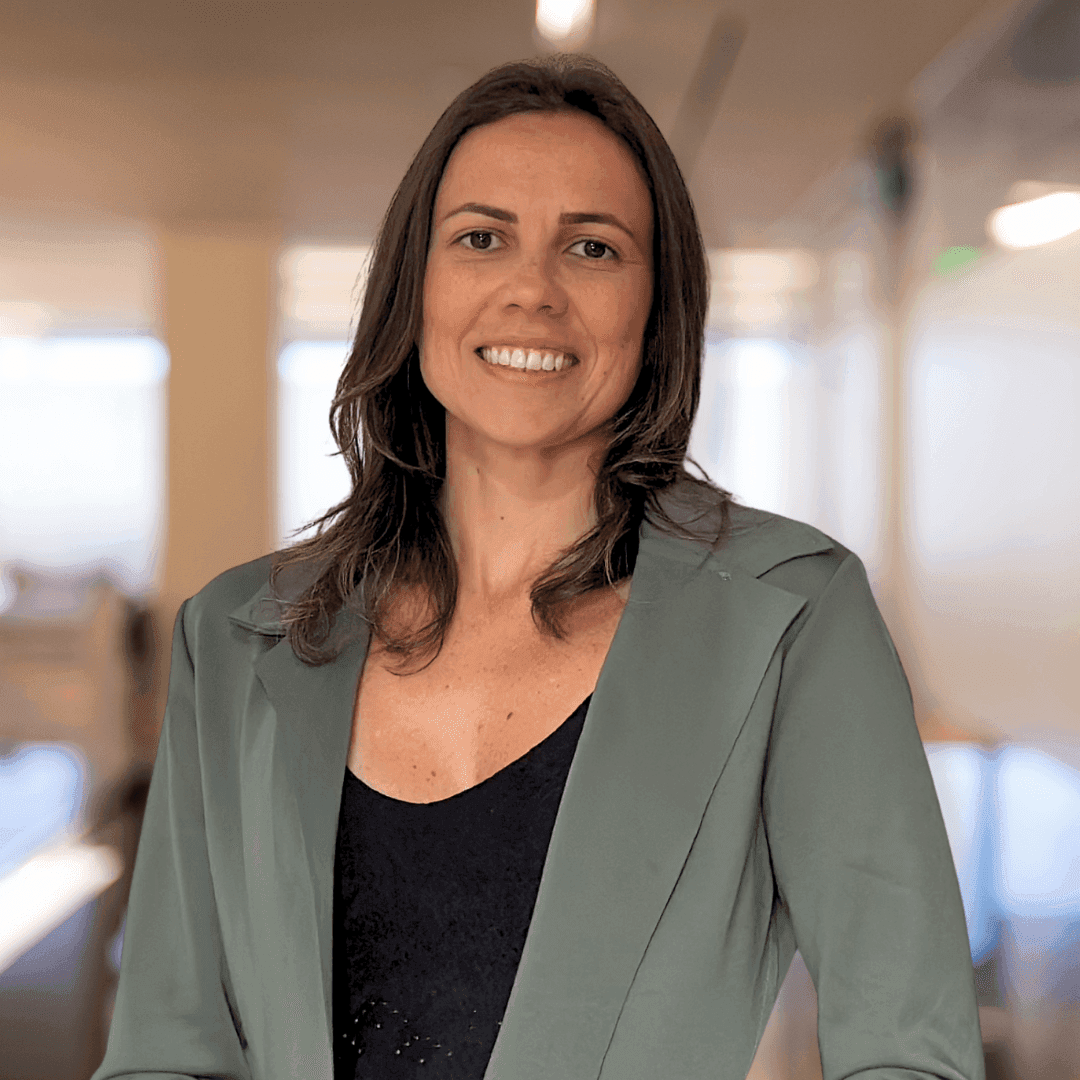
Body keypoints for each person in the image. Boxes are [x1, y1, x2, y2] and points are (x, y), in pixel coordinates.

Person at [91, 54, 986, 1080]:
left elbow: (911, 1051)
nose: (532, 290)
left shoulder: (789, 618)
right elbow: (167, 1050)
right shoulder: (240, 634)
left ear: (656, 310)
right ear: (413, 288)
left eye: (593, 248)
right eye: (481, 238)